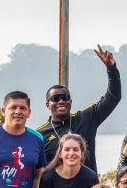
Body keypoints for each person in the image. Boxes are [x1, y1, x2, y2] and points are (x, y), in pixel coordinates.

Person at [36, 44, 121, 173]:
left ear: (70, 101)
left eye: (65, 97)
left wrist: (111, 69)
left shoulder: (86, 119)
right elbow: (37, 171)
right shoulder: (40, 135)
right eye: (55, 98)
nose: (61, 101)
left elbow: (112, 98)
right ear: (47, 105)